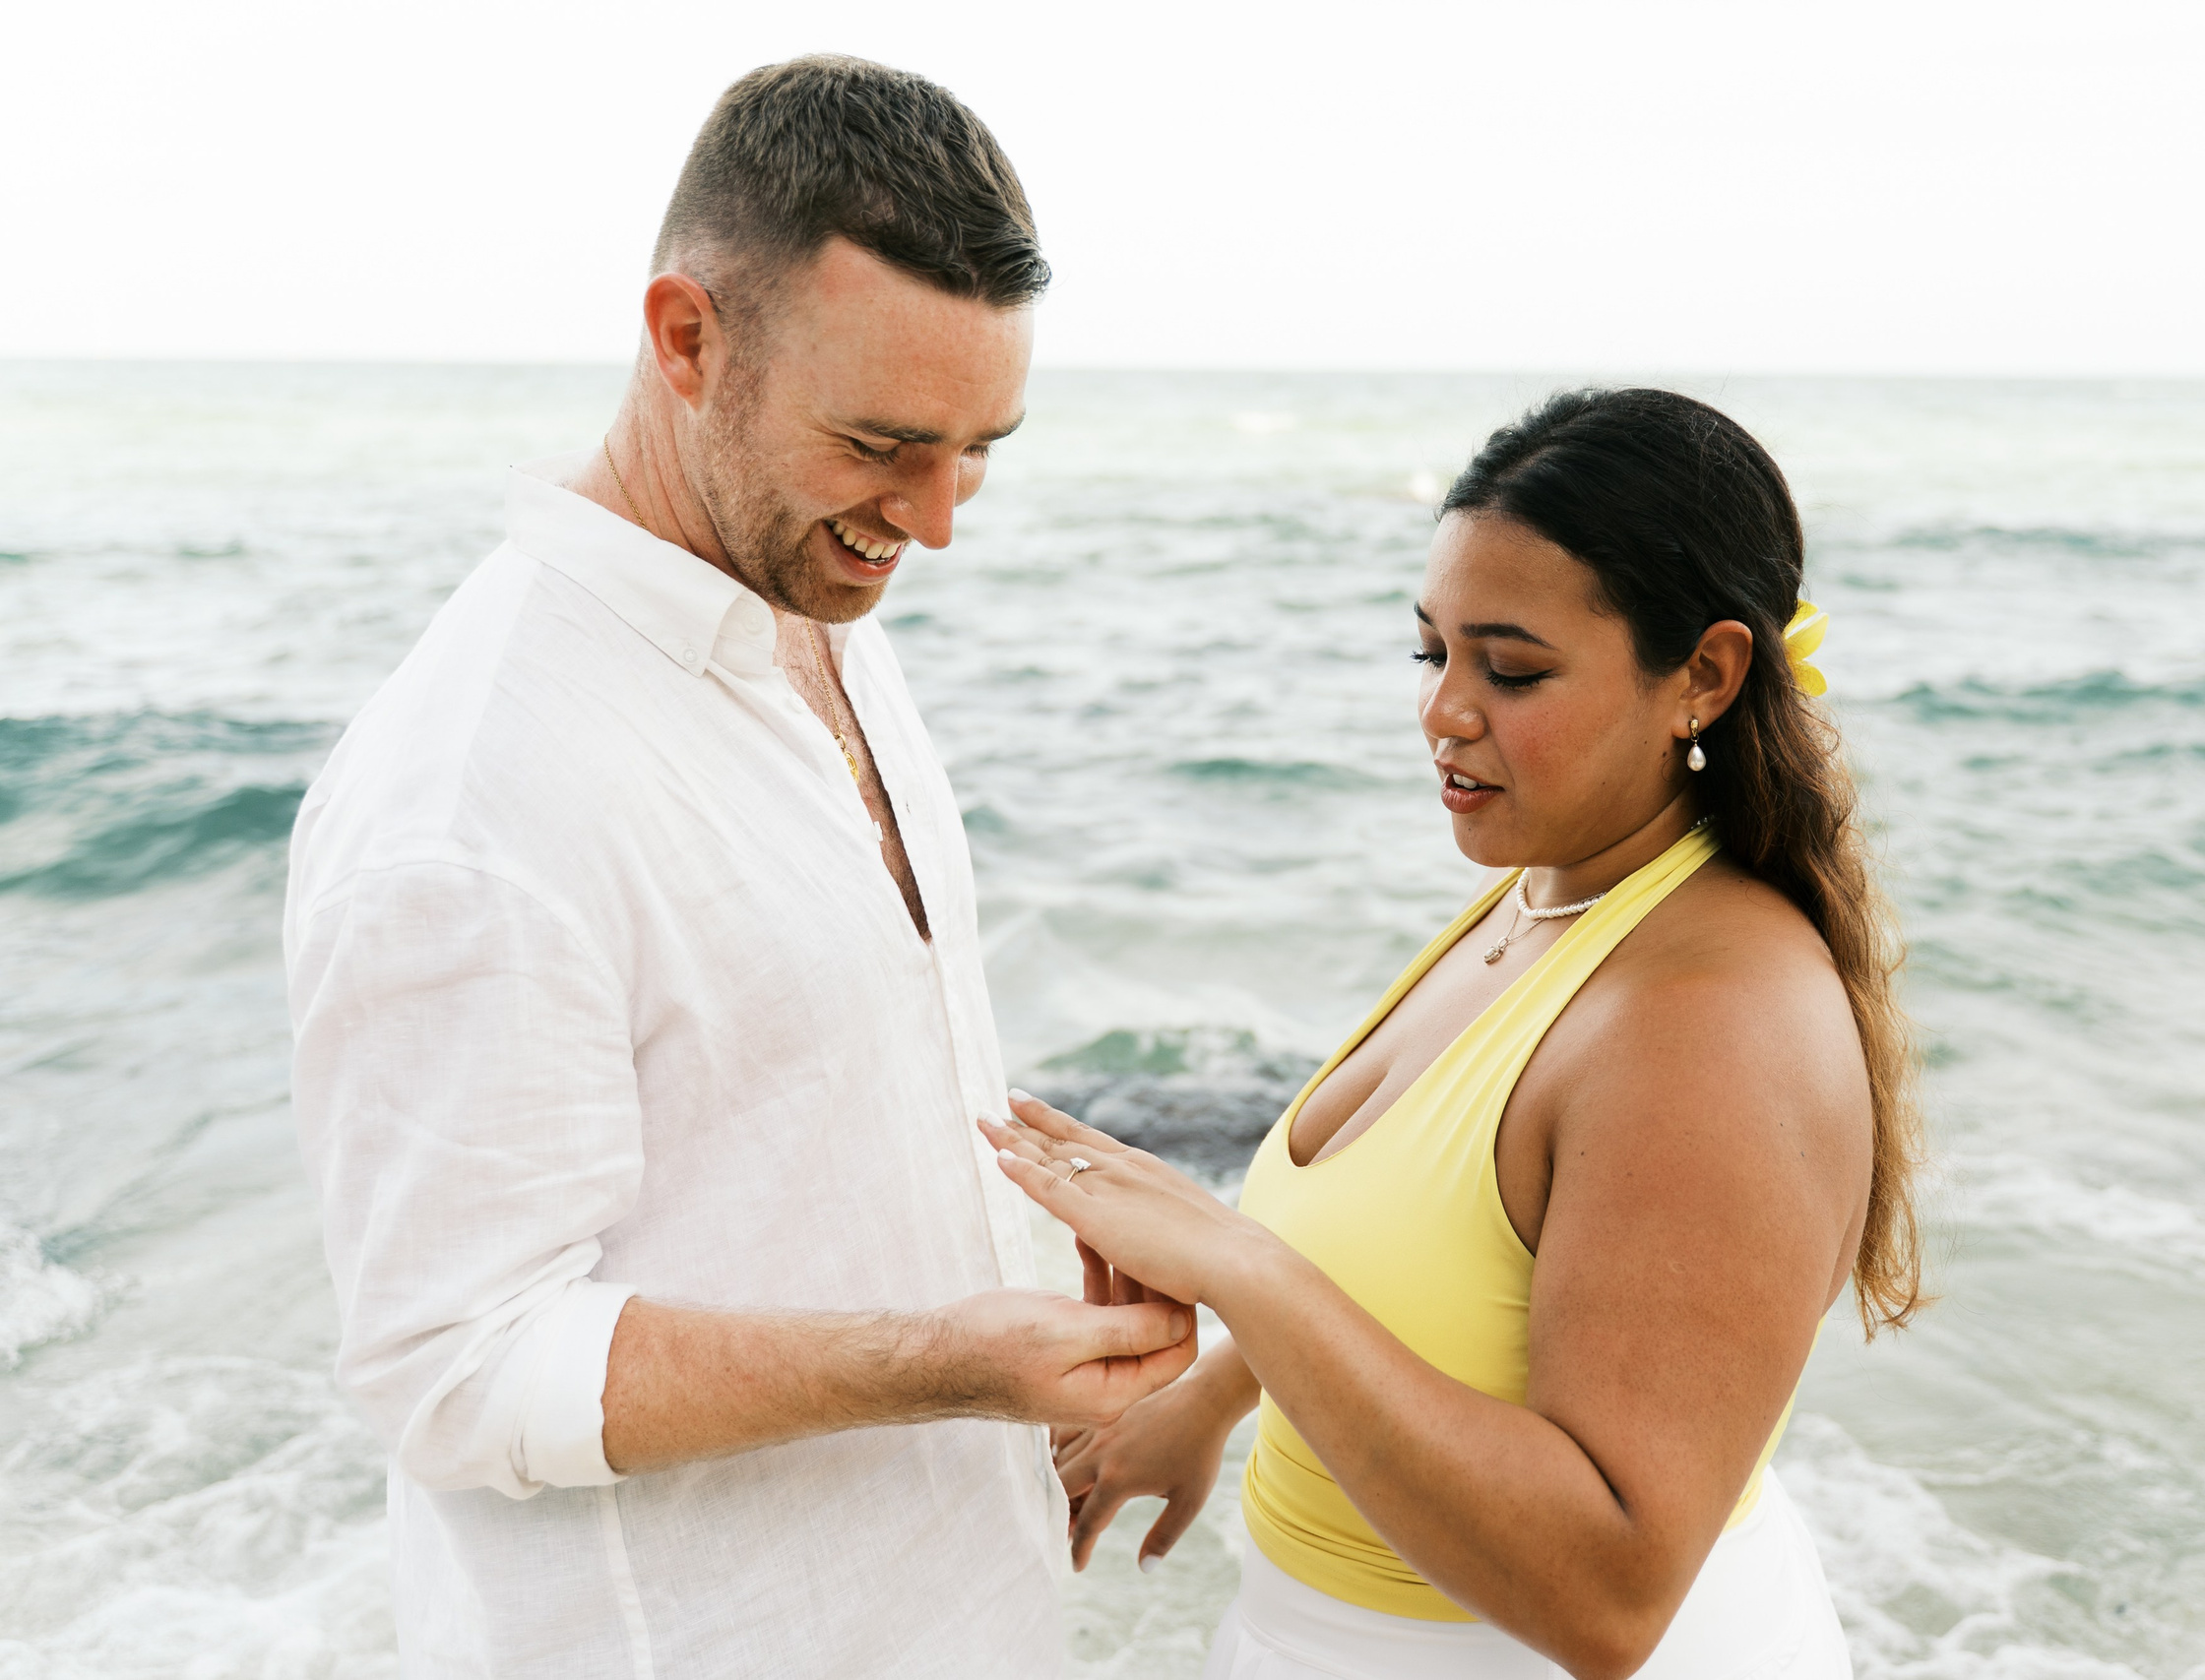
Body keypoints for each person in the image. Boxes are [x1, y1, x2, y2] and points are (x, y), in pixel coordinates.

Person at [284, 56, 1196, 1678]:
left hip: (953, 1611)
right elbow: (455, 1369)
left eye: (980, 449)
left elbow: (787, 1109)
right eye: (880, 445)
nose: (935, 522)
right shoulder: (476, 786)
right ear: (687, 340)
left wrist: (1039, 1262)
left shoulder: (812, 607)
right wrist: (949, 1360)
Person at [984, 388, 1925, 1680]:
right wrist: (1210, 1394)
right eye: (1432, 654)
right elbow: (1430, 1276)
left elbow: (1608, 1595)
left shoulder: (1708, 1024)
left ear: (1703, 676)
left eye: (1514, 668)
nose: (1445, 711)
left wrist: (1241, 1271)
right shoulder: (1543, 891)